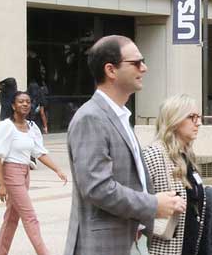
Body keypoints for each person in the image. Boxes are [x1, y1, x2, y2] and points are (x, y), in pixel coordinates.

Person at [64, 35, 185, 255]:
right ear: (111, 70)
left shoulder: (119, 115)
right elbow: (97, 188)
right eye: (137, 62)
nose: (145, 68)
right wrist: (152, 204)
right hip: (104, 245)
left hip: (130, 240)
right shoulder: (90, 118)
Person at [141, 94, 212, 255]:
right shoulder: (154, 153)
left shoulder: (186, 155)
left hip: (190, 246)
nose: (199, 123)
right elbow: (135, 199)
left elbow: (189, 194)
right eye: (192, 117)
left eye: (199, 117)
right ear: (174, 119)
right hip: (163, 249)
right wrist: (159, 204)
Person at [0, 91, 68, 255]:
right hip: (11, 172)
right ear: (13, 105)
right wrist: (1, 184)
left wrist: (58, 170)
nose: (25, 104)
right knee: (30, 216)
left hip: (25, 172)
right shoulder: (5, 127)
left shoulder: (32, 127)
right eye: (20, 102)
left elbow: (40, 152)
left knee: (11, 218)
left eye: (27, 101)